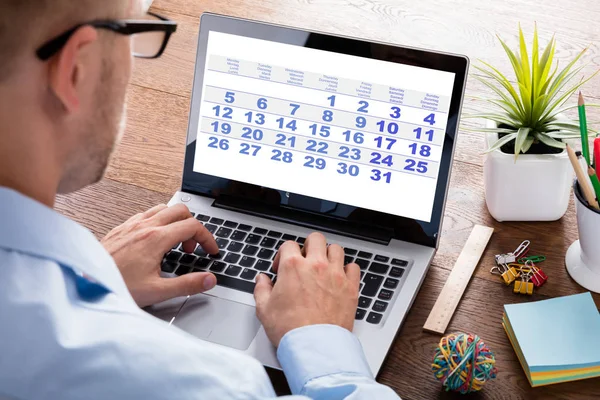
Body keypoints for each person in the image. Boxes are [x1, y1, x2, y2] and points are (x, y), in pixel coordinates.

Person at [0, 1, 401, 399]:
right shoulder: (214, 387)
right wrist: (323, 346)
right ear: (76, 69)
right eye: (132, 31)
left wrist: (92, 280)